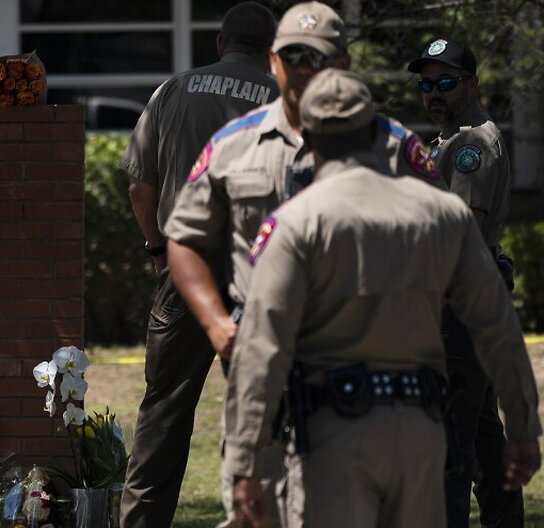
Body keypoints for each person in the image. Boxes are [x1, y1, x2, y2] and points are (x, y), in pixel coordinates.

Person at [162, 1, 443, 526]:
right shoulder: (233, 146)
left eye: (320, 58)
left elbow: (447, 239)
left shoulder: (393, 147)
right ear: (272, 61)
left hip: (364, 379)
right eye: (294, 57)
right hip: (264, 374)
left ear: (344, 63)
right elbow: (183, 238)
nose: (305, 71)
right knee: (258, 508)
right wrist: (217, 324)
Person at [225, 68, 540, 528]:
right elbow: (499, 329)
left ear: (306, 136)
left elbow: (261, 351)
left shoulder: (293, 224)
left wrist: (247, 461)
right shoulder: (438, 215)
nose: (432, 93)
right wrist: (525, 427)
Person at [117, 2, 279, 528]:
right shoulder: (287, 99)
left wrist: (160, 251)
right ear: (270, 49)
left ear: (220, 44)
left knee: (164, 409)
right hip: (262, 272)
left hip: (186, 271)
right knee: (257, 410)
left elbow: (139, 185)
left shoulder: (172, 91)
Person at [408, 38, 520, 527]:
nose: (434, 92)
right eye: (426, 84)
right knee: (480, 438)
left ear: (472, 85)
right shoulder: (450, 139)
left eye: (446, 82)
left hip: (457, 307)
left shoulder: (471, 141)